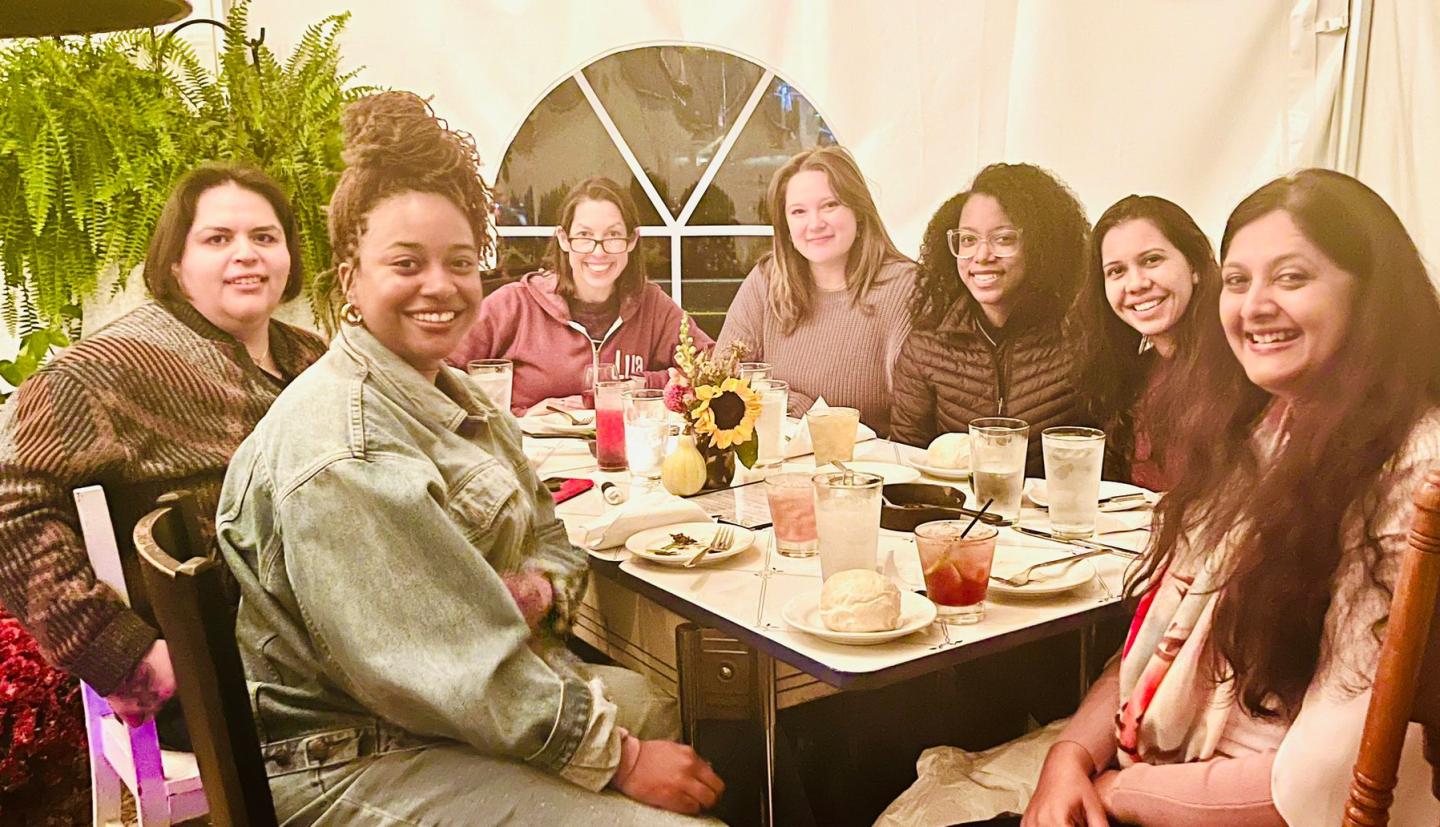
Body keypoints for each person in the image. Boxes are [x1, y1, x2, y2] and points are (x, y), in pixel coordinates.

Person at [218, 91, 724, 824]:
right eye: (405, 262)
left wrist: (535, 591)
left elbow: (551, 537)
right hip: (353, 756)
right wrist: (620, 759)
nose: (441, 285)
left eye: (459, 262)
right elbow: (452, 669)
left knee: (662, 700)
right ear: (350, 274)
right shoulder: (344, 445)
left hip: (426, 713)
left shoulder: (460, 396)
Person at [1023, 169, 1440, 827]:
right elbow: (1158, 633)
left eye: (1293, 277)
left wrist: (1113, 793)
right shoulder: (1268, 425)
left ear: (1371, 295)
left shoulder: (1413, 474)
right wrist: (1069, 756)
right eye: (1240, 281)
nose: (1253, 305)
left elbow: (1325, 782)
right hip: (1167, 768)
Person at [0, 163, 326, 739]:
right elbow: (11, 507)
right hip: (232, 681)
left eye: (265, 237)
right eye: (217, 239)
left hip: (335, 640)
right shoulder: (105, 371)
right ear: (176, 262)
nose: (246, 254)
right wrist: (117, 655)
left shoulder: (311, 357)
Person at [448, 176, 711, 415]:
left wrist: (638, 385)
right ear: (564, 239)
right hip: (532, 459)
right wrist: (518, 418)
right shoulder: (514, 304)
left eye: (613, 236)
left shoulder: (653, 306)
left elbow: (712, 371)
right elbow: (440, 373)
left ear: (631, 241)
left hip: (627, 459)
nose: (599, 252)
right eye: (584, 236)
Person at [890, 163, 1089, 475]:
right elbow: (908, 462)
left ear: (1042, 245)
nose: (981, 256)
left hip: (1058, 518)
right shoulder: (927, 344)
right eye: (968, 240)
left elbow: (1111, 472)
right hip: (957, 516)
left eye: (1003, 238)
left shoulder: (1083, 337)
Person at [715, 146, 915, 437]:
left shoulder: (904, 287)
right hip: (777, 464)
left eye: (830, 205)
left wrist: (781, 404)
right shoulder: (766, 280)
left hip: (871, 468)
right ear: (785, 224)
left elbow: (916, 416)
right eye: (798, 212)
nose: (815, 224)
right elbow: (721, 379)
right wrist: (803, 408)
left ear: (859, 211)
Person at [1069, 195, 1219, 489]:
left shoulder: (1240, 367)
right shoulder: (1134, 377)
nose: (1136, 284)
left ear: (1195, 265)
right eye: (1116, 271)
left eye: (1152, 260)